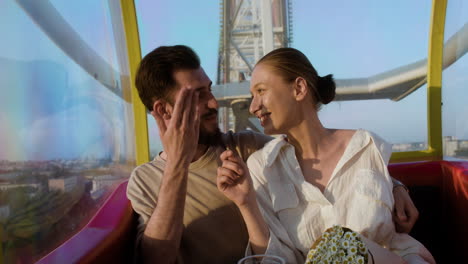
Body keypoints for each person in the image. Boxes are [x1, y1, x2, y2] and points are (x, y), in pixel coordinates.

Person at [126, 45, 419, 264]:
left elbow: (327, 155)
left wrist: (394, 185)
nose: (214, 102)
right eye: (198, 95)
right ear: (164, 110)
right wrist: (178, 162)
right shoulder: (145, 181)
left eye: (209, 90)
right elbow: (155, 259)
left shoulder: (247, 148)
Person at [216, 47, 435, 264]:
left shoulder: (366, 147)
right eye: (252, 96)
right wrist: (246, 204)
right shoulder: (261, 167)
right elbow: (275, 259)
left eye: (261, 91)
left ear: (299, 88)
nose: (253, 107)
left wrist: (396, 185)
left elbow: (392, 241)